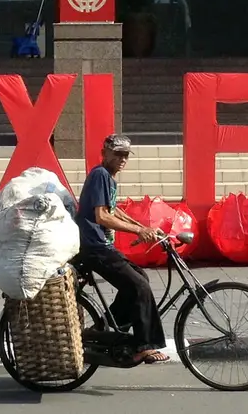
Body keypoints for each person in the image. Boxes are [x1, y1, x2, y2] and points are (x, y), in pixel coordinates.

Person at [73, 134, 170, 364]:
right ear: (104, 153)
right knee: (139, 286)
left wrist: (145, 228)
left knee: (139, 278)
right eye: (117, 154)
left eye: (125, 155)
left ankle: (104, 332)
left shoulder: (108, 178)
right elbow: (102, 216)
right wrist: (138, 232)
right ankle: (144, 346)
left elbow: (114, 210)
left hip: (99, 246)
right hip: (94, 247)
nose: (122, 159)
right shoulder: (100, 175)